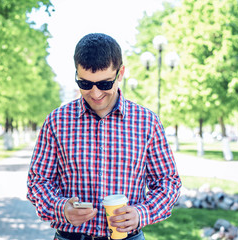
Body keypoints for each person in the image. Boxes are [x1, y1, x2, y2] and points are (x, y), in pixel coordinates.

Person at [27, 33, 182, 240]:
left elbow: (167, 182)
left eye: (104, 84)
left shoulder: (147, 122)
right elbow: (38, 182)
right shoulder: (56, 121)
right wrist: (61, 208)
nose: (95, 93)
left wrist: (141, 213)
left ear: (120, 73)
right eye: (85, 84)